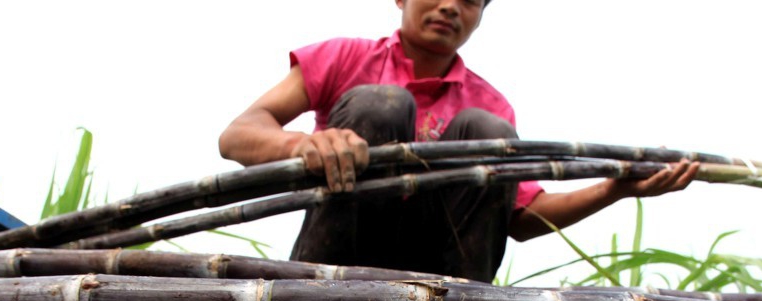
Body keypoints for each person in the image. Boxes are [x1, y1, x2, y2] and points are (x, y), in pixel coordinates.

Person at [219, 0, 697, 281]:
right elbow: (238, 134)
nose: (451, 6)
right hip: (339, 267)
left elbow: (523, 217)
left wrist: (615, 189)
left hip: (442, 280)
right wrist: (301, 145)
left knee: (489, 136)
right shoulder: (343, 58)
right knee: (380, 105)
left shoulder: (491, 105)